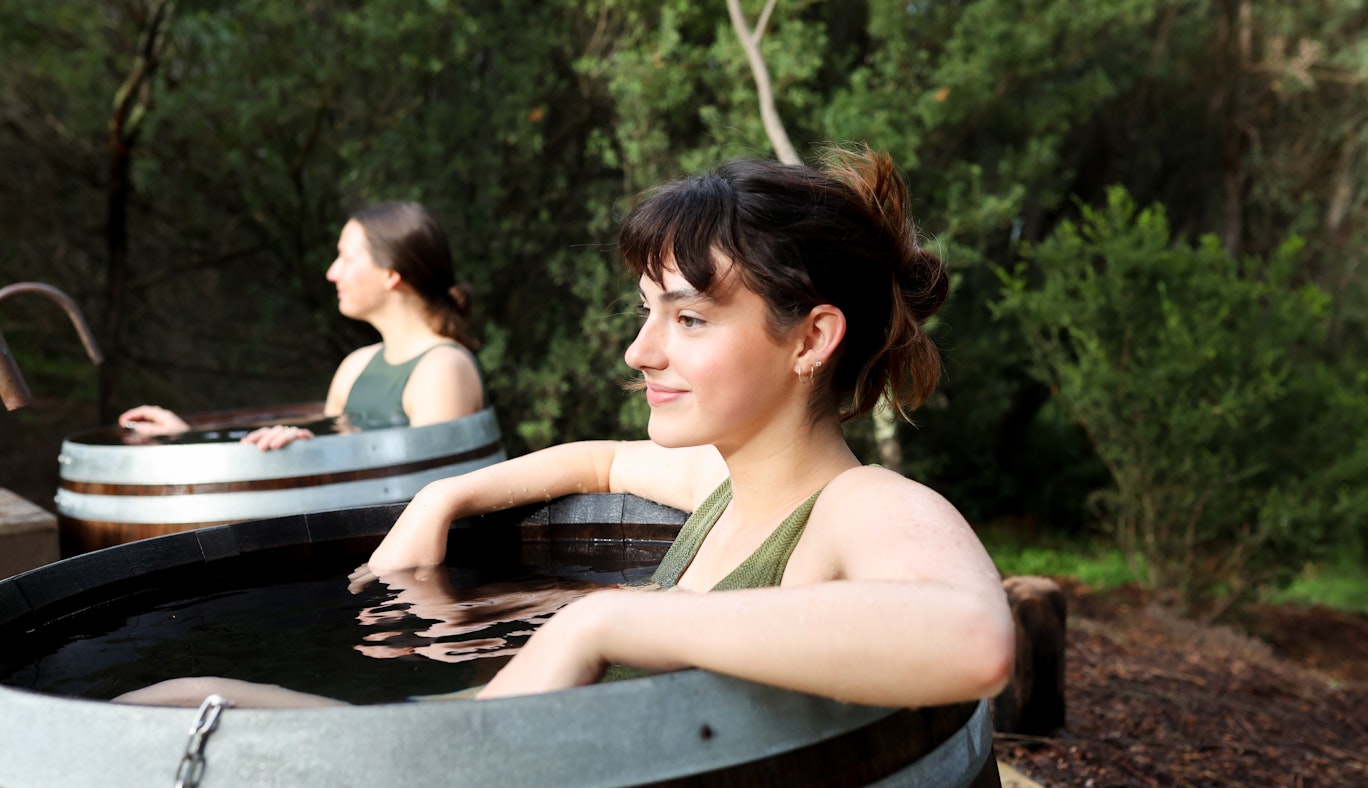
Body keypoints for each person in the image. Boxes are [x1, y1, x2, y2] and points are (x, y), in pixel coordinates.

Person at [117, 144, 1014, 710]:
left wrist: (610, 623)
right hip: (471, 756)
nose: (638, 352)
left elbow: (972, 643)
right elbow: (598, 461)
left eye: (688, 319)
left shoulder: (855, 505)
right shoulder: (719, 483)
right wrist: (444, 494)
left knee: (178, 705)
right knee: (174, 697)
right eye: (645, 313)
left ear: (811, 338)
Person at [117, 201, 485, 450]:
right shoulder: (355, 366)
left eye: (346, 257)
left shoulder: (443, 368)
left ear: (391, 274)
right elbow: (334, 457)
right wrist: (187, 438)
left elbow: (432, 497)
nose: (332, 272)